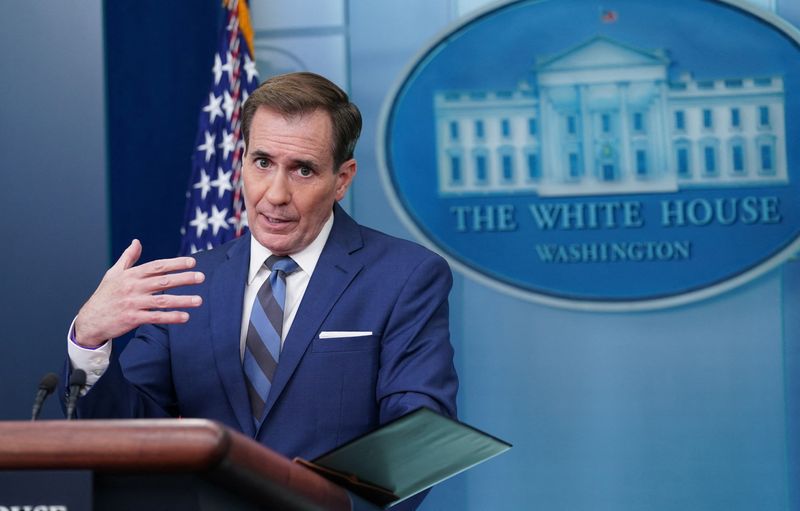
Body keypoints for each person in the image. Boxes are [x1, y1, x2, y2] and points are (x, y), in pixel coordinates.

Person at [65, 72, 458, 510]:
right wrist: (90, 340)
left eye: (303, 170)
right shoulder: (189, 283)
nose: (275, 194)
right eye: (263, 162)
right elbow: (131, 436)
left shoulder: (404, 277)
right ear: (242, 161)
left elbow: (419, 435)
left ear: (342, 179)